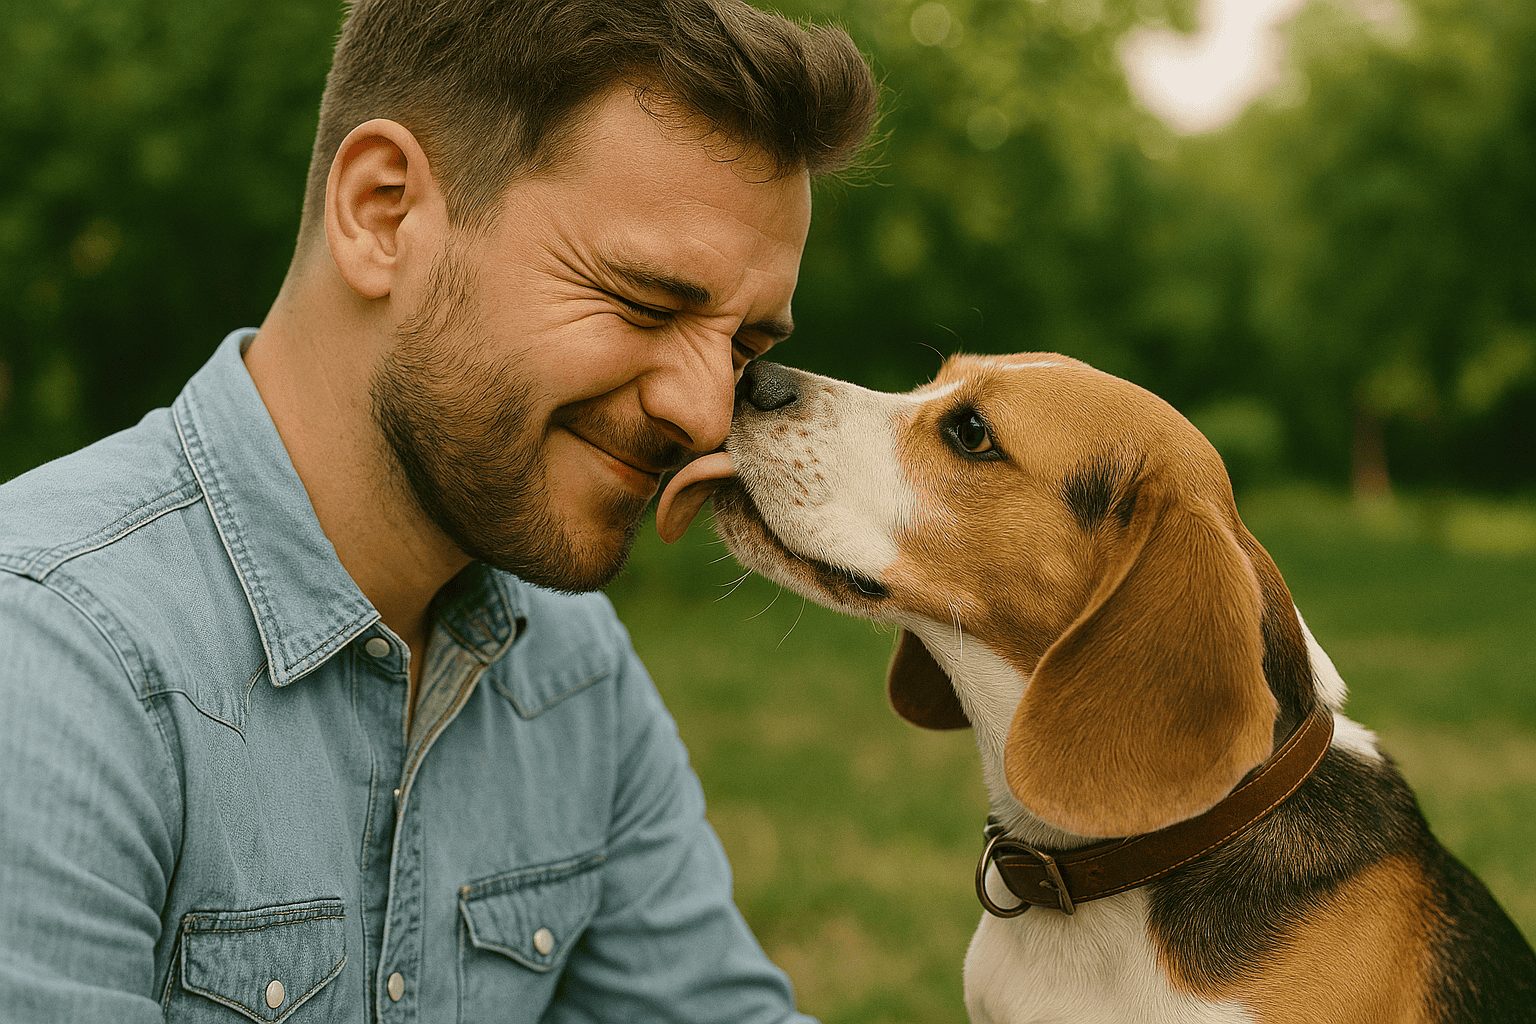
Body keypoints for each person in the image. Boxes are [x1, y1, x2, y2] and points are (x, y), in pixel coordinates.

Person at [0, 0, 876, 1019]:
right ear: (382, 214)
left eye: (743, 347)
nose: (703, 408)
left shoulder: (569, 672)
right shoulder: (53, 658)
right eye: (644, 301)